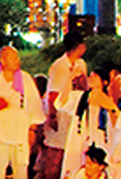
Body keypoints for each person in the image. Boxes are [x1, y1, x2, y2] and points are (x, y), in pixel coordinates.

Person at [0, 46, 44, 179]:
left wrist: (32, 130)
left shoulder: (26, 79)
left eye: (17, 57)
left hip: (20, 131)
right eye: (13, 58)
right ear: (3, 61)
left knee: (20, 169)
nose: (17, 60)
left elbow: (34, 106)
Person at [40, 31, 89, 179]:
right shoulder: (60, 66)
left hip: (75, 112)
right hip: (60, 112)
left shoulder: (81, 64)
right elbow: (53, 94)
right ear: (79, 46)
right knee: (57, 152)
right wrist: (53, 116)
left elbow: (84, 87)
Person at [58, 68, 116, 179]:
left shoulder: (106, 100)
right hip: (79, 139)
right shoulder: (80, 97)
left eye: (95, 76)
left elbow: (115, 121)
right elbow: (61, 102)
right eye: (90, 76)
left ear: (104, 82)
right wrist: (70, 78)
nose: (91, 78)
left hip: (100, 141)